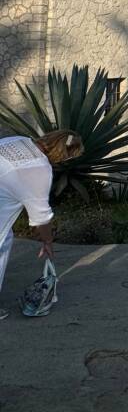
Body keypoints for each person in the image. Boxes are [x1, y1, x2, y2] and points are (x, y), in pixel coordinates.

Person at [0, 130, 82, 319]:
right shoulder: (39, 169)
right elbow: (41, 217)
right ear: (65, 154)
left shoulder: (18, 139)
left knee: (6, 237)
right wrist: (47, 242)